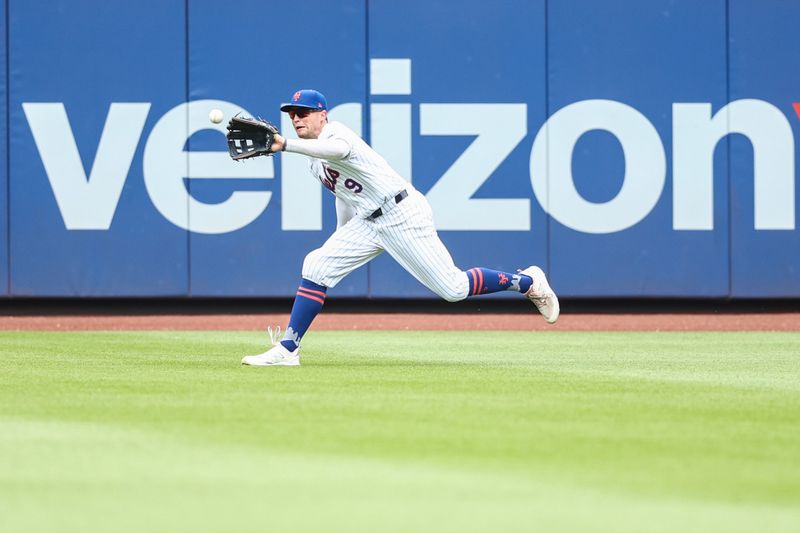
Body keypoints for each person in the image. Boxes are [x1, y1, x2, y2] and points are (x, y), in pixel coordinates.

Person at [241, 89, 559, 366]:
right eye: (292, 114)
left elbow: (338, 152)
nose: (297, 119)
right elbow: (345, 196)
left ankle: (528, 282)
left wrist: (286, 146)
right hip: (369, 220)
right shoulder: (313, 162)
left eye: (304, 113)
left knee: (454, 289)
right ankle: (288, 348)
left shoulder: (336, 133)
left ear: (322, 116)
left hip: (401, 213)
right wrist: (340, 235)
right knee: (317, 264)